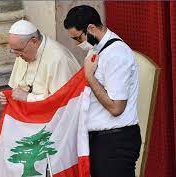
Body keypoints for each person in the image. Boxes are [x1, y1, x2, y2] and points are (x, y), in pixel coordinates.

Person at [64, 5, 141, 177]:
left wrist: (89, 77)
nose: (76, 44)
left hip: (115, 143)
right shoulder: (98, 48)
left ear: (91, 28)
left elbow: (116, 108)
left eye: (78, 38)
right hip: (102, 141)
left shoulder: (116, 54)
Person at [0, 20, 80, 104]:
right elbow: (18, 89)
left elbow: (64, 100)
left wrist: (28, 97)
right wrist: (9, 97)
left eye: (19, 50)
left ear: (34, 41)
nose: (17, 56)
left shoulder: (59, 59)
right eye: (14, 51)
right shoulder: (22, 51)